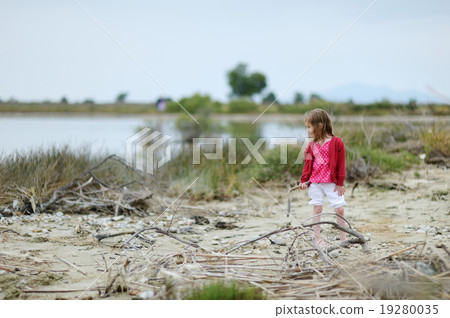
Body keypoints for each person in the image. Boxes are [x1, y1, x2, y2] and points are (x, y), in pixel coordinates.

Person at [298, 109, 346, 247]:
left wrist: (340, 183)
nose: (307, 130)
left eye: (309, 127)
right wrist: (304, 181)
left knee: (340, 208)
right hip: (315, 182)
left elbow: (341, 164)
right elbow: (307, 166)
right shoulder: (311, 145)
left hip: (332, 182)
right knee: (317, 208)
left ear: (319, 125)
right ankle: (317, 238)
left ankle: (344, 239)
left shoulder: (337, 142)